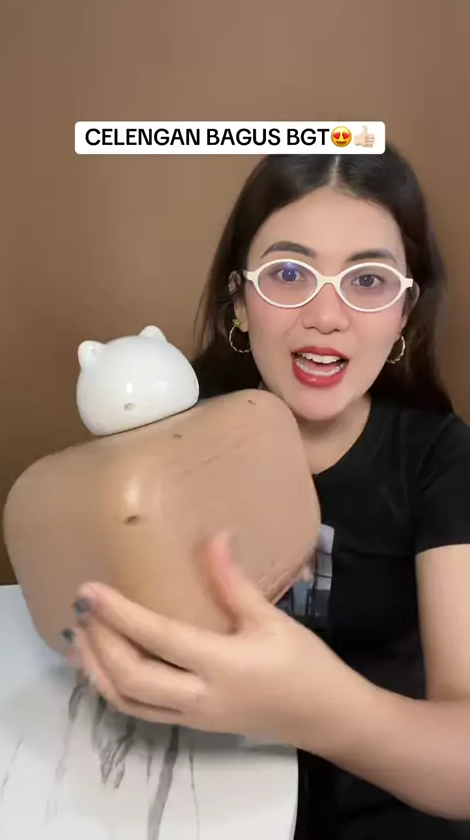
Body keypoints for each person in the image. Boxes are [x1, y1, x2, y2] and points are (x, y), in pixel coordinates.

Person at [65, 145, 470, 839]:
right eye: (288, 273)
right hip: (206, 803)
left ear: (404, 312)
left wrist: (313, 709)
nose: (326, 315)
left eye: (367, 280)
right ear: (240, 303)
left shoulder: (441, 458)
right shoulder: (173, 436)